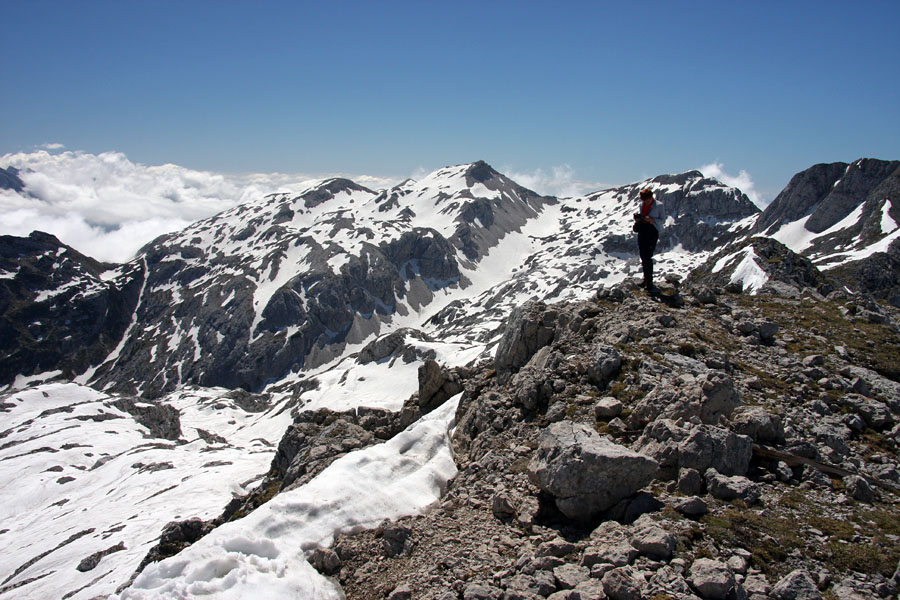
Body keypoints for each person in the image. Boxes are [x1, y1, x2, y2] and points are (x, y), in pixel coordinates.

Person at [633, 188, 665, 292]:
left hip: (652, 231)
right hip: (643, 229)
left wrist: (652, 220)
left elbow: (663, 220)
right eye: (643, 200)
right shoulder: (642, 205)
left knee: (647, 256)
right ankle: (645, 279)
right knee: (643, 255)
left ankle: (649, 282)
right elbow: (642, 215)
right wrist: (639, 219)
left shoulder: (659, 205)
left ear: (651, 198)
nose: (644, 202)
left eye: (646, 200)